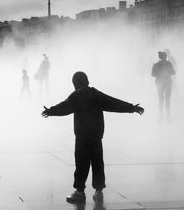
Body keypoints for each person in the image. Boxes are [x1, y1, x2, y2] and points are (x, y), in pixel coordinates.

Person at [41, 72, 144, 204]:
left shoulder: (76, 96)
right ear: (87, 81)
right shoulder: (96, 94)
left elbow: (65, 107)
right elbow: (113, 103)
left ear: (75, 83)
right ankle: (99, 192)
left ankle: (79, 192)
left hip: (82, 137)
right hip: (96, 135)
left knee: (81, 164)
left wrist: (51, 111)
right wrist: (132, 108)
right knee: (97, 163)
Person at [151, 51, 175, 119]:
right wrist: (163, 73)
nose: (165, 58)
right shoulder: (167, 64)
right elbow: (173, 73)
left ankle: (164, 116)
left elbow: (153, 74)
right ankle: (164, 116)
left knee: (163, 99)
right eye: (164, 56)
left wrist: (162, 73)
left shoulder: (157, 64)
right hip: (164, 83)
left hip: (163, 83)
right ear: (163, 57)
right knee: (165, 99)